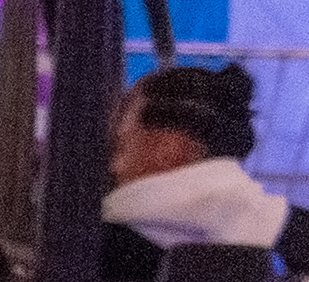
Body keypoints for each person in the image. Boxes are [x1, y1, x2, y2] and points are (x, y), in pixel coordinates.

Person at [103, 63, 301, 264]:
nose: (112, 130)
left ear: (170, 148)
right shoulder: (293, 230)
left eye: (123, 113)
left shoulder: (105, 250)